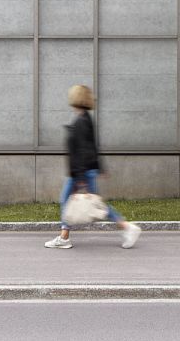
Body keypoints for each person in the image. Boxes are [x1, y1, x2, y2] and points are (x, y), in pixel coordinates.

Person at [44, 83, 141, 249]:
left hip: (81, 172)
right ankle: (65, 236)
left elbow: (83, 150)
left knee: (81, 202)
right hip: (84, 171)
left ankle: (126, 227)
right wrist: (99, 168)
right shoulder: (85, 118)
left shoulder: (81, 121)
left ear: (76, 98)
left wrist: (81, 180)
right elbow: (92, 146)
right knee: (93, 203)